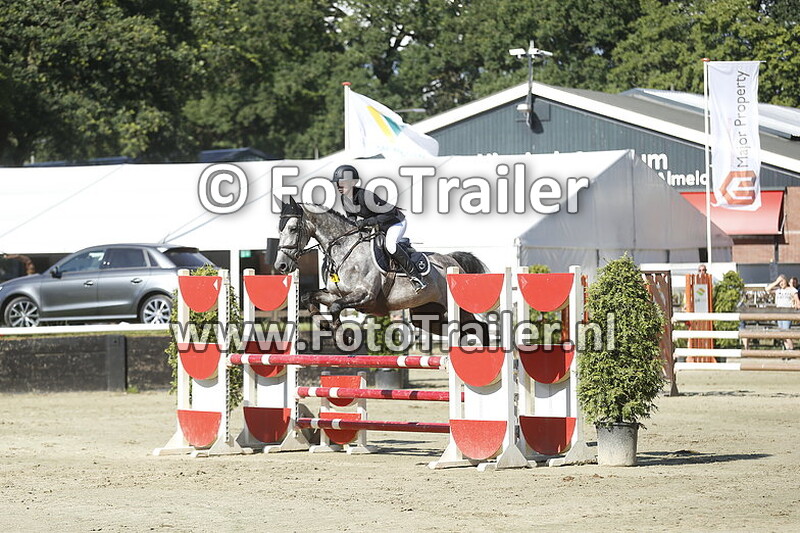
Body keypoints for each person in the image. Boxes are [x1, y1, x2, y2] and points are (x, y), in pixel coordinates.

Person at [332, 164, 427, 292]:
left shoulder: (366, 197)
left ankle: (416, 277)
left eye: (342, 182)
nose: (339, 186)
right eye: (337, 183)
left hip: (395, 223)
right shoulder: (345, 199)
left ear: (353, 182)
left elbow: (390, 213)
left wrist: (367, 222)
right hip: (377, 226)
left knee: (390, 246)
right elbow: (351, 218)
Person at [765, 274, 800, 349]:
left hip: (787, 313)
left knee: (786, 333)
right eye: (779, 282)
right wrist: (776, 281)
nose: (781, 283)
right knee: (782, 334)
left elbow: (797, 300)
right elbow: (767, 289)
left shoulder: (791, 289)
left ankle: (791, 350)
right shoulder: (778, 290)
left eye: (782, 281)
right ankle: (787, 352)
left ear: (786, 281)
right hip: (779, 313)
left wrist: (796, 307)